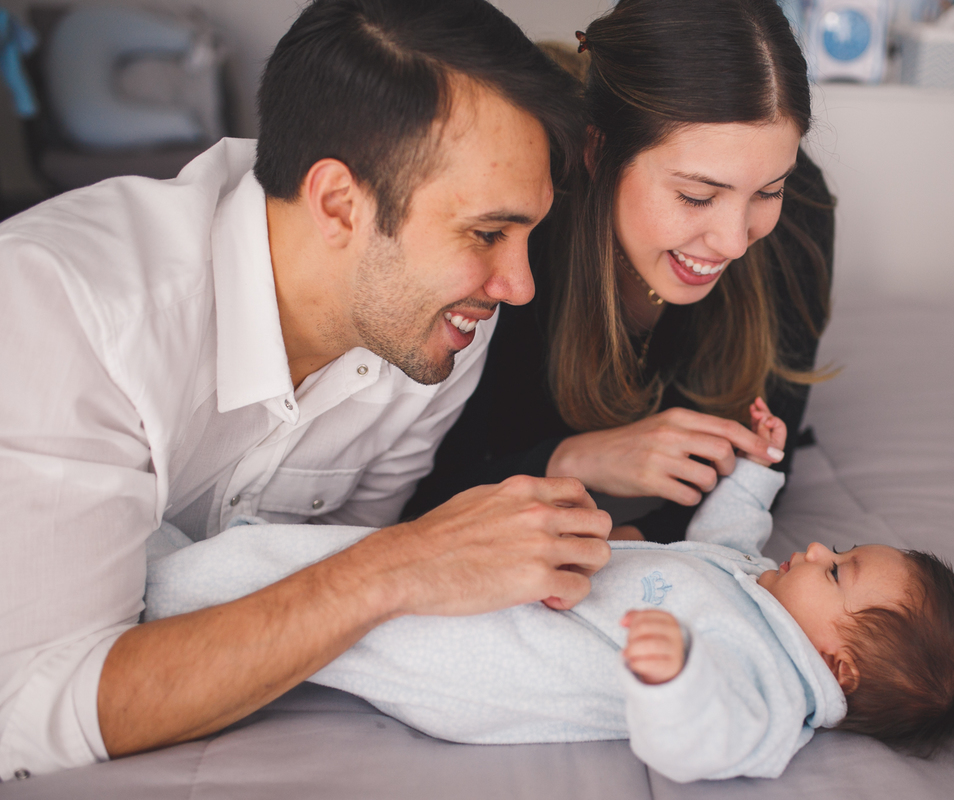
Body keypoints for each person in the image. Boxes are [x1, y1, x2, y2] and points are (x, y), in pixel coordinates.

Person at [0, 0, 615, 780]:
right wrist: (397, 565)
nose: (520, 287)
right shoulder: (68, 312)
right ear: (337, 204)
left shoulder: (438, 331)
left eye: (529, 235)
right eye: (487, 234)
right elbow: (27, 705)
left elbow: (325, 598)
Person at [144, 401, 954, 782]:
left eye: (839, 572)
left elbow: (703, 746)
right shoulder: (758, 588)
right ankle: (195, 560)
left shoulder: (765, 693)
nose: (822, 547)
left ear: (837, 663)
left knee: (346, 610)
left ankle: (161, 595)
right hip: (512, 588)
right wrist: (759, 472)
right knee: (342, 555)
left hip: (493, 656)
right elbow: (725, 540)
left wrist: (675, 677)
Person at [405, 0, 836, 544]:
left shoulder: (798, 219)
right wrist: (572, 459)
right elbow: (424, 498)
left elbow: (767, 468)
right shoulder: (520, 230)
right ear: (599, 154)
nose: (734, 241)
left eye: (768, 191)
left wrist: (643, 541)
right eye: (696, 196)